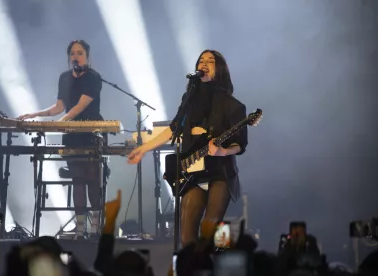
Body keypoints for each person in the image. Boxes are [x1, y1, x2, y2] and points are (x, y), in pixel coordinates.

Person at [127, 49, 248, 247]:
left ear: (220, 69)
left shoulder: (232, 105)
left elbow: (239, 144)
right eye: (202, 60)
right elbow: (174, 128)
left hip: (220, 173)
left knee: (210, 232)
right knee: (186, 235)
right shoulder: (190, 99)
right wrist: (144, 148)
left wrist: (223, 151)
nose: (205, 63)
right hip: (193, 173)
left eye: (211, 61)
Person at [18, 40, 103, 239]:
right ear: (68, 57)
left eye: (80, 53)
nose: (76, 56)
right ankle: (80, 229)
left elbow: (81, 105)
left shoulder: (94, 77)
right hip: (71, 136)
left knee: (92, 180)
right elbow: (58, 107)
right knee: (77, 180)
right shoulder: (65, 78)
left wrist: (61, 121)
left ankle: (95, 228)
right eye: (72, 53)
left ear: (87, 56)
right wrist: (35, 114)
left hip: (89, 134)